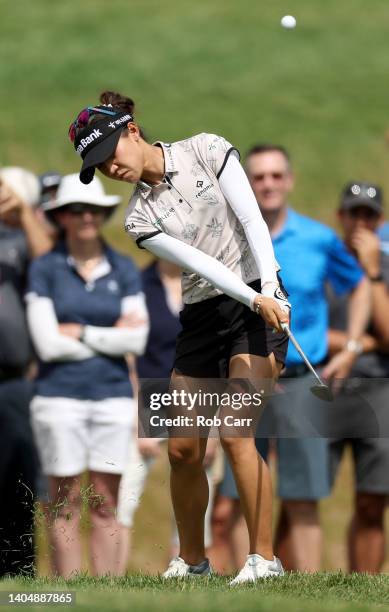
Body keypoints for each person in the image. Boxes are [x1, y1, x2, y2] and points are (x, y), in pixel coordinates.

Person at [68, 91, 291, 584]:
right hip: (205, 315)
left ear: (131, 130)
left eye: (109, 155)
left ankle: (265, 559)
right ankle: (193, 562)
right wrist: (255, 298)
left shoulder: (207, 149)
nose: (110, 169)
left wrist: (270, 287)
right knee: (181, 449)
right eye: (98, 167)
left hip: (257, 300)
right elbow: (202, 266)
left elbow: (252, 219)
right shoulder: (137, 218)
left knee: (236, 432)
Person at [243, 144, 370, 572]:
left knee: (302, 496)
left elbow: (360, 285)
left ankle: (311, 588)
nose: (268, 184)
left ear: (290, 181)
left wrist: (351, 346)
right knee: (235, 497)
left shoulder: (317, 238)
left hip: (301, 379)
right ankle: (240, 580)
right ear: (247, 184)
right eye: (259, 177)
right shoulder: (232, 239)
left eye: (276, 175)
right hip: (246, 380)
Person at [26, 173, 149, 578]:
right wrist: (112, 334)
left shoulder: (124, 267)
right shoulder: (45, 269)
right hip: (57, 398)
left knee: (105, 501)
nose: (85, 217)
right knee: (64, 502)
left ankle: (107, 593)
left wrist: (79, 332)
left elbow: (138, 338)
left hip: (113, 397)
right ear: (60, 216)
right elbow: (47, 345)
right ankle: (69, 591)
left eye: (93, 210)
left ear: (103, 214)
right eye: (75, 210)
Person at [116, 259, 220, 571]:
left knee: (193, 505)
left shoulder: (210, 284)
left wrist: (213, 427)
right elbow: (127, 353)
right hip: (147, 399)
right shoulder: (137, 283)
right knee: (124, 498)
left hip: (197, 402)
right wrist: (138, 414)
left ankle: (187, 575)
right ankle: (110, 579)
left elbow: (219, 355)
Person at [328, 181, 389, 573]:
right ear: (341, 216)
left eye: (369, 215)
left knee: (372, 500)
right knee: (300, 495)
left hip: (379, 390)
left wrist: (372, 271)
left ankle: (362, 587)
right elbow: (300, 328)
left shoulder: (384, 267)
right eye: (354, 213)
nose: (360, 222)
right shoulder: (324, 260)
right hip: (324, 387)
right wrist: (358, 342)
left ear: (380, 220)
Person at [0, 167, 52, 576]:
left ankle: (19, 575)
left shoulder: (20, 238)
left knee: (18, 484)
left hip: (14, 382)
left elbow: (48, 259)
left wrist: (23, 215)